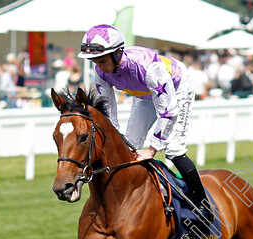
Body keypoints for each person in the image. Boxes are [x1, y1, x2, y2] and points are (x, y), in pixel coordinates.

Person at [77, 24, 213, 222]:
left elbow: (168, 111)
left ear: (118, 53)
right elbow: (108, 112)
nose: (100, 66)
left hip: (176, 86)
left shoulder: (148, 67)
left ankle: (203, 209)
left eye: (103, 60)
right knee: (128, 147)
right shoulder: (100, 71)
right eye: (95, 61)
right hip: (146, 94)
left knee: (173, 149)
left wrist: (152, 149)